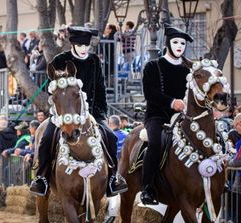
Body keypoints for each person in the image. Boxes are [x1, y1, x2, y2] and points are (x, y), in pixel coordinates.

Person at [30, 26, 128, 197]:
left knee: (111, 137)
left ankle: (113, 178)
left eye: (86, 46)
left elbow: (100, 87)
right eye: (80, 45)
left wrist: (100, 112)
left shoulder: (94, 61)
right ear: (73, 44)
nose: (84, 49)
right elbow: (53, 88)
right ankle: (42, 178)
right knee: (46, 138)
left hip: (92, 112)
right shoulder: (60, 60)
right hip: (63, 114)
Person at [140, 25, 193, 205]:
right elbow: (150, 93)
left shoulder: (188, 70)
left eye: (183, 43)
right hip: (157, 116)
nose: (179, 46)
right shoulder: (153, 66)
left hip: (184, 117)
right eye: (176, 42)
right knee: (155, 143)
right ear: (168, 43)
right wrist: (172, 102)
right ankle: (147, 188)